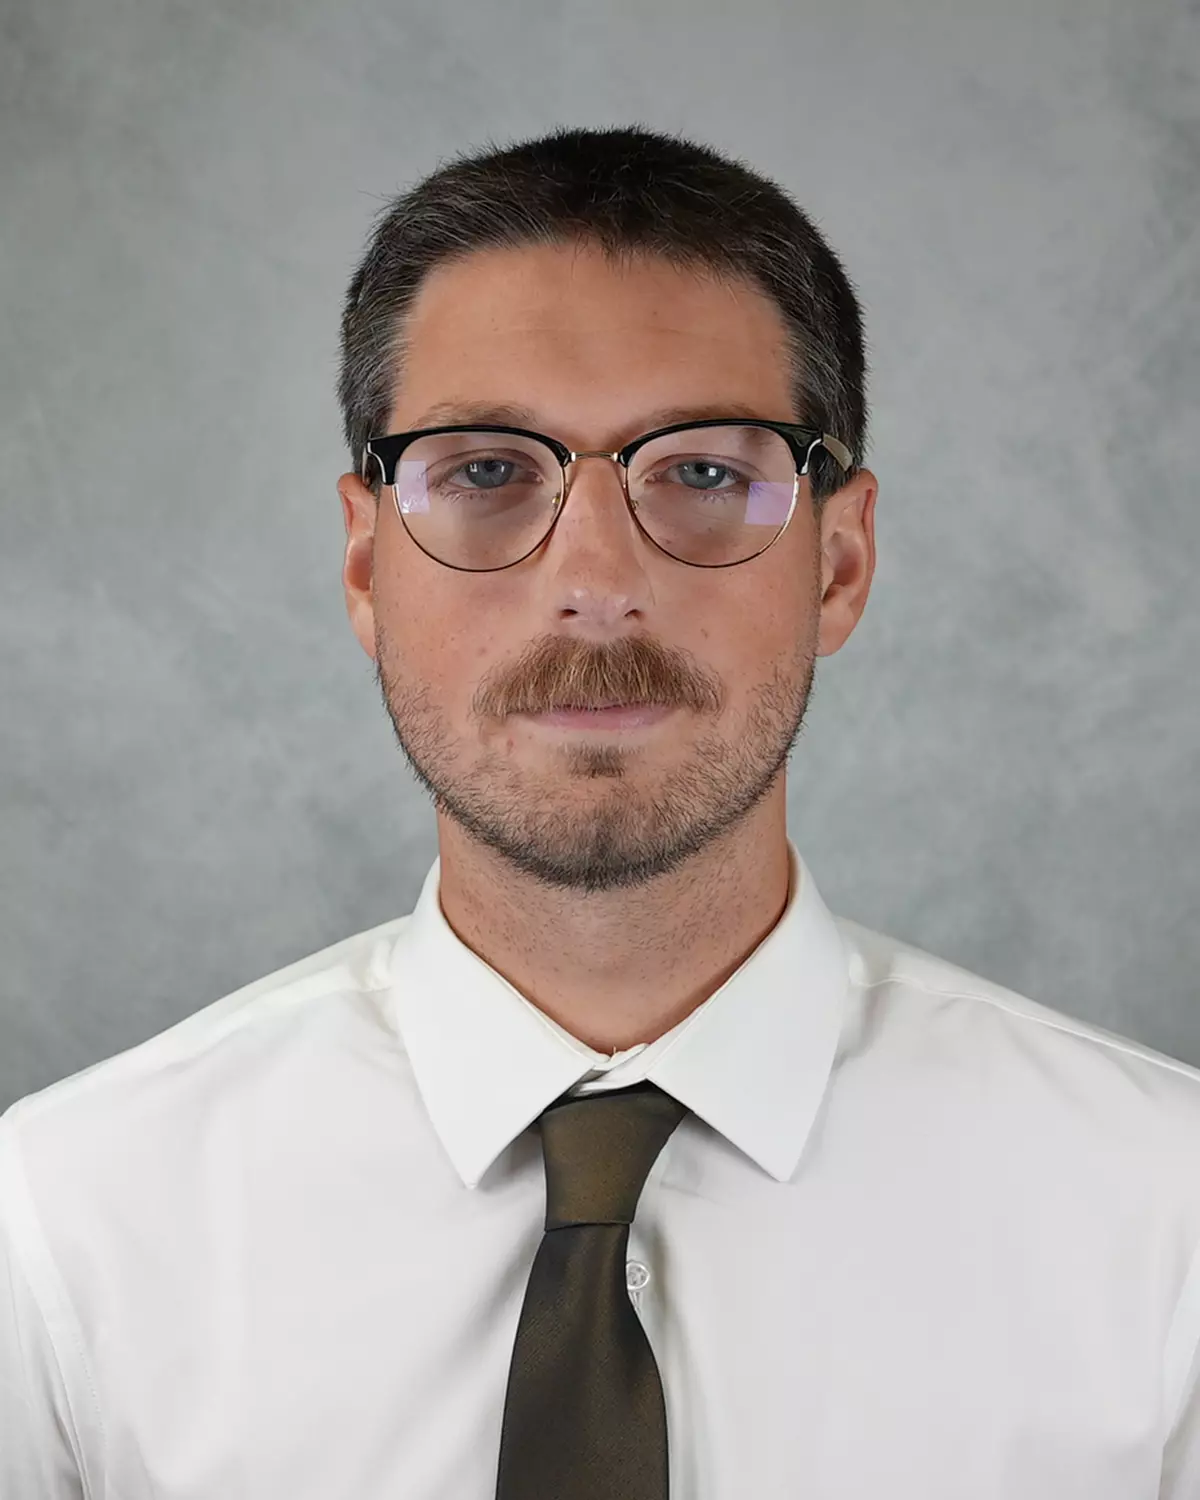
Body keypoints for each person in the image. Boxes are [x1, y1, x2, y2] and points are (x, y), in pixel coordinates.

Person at [1, 125, 1198, 1500]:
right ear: (366, 564)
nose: (595, 585)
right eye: (485, 471)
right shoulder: (64, 1226)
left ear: (840, 562)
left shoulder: (1168, 1223)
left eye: (702, 473)